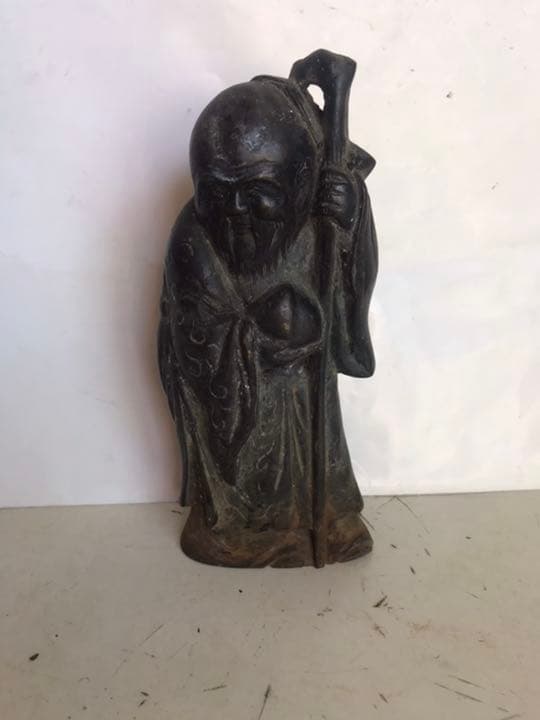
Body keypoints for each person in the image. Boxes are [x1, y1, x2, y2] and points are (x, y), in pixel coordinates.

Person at [158, 62, 378, 567]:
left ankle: (326, 520)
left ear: (297, 185)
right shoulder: (193, 237)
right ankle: (247, 528)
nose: (237, 210)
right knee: (250, 485)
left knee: (316, 447)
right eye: (219, 193)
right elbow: (195, 343)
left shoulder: (316, 220)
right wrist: (256, 329)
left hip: (308, 401)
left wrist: (350, 220)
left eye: (259, 193)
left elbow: (349, 296)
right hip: (244, 407)